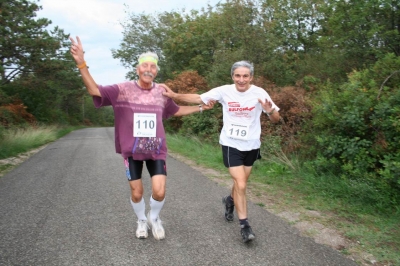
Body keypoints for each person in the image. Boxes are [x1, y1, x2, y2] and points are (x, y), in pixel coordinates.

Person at [69, 36, 214, 240]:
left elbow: (176, 110)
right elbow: (94, 90)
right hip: (132, 149)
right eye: (144, 65)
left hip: (156, 149)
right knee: (137, 193)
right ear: (137, 69)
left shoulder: (162, 93)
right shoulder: (122, 90)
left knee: (160, 191)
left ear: (156, 71)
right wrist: (81, 63)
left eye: (152, 67)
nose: (148, 69)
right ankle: (141, 220)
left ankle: (154, 218)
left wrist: (200, 107)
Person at [161, 60, 280, 243]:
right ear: (232, 76)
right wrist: (175, 94)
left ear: (251, 77)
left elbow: (276, 119)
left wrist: (270, 110)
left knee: (240, 182)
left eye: (245, 76)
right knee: (240, 184)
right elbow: (198, 98)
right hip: (230, 143)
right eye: (238, 76)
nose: (241, 80)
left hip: (251, 145)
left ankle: (229, 200)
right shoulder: (224, 91)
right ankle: (245, 226)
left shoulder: (259, 93)